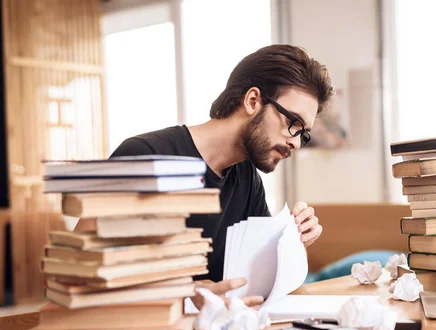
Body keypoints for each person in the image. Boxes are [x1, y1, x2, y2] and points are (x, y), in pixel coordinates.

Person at [79, 44, 334, 310]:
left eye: (303, 134)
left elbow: (263, 279)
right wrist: (183, 294)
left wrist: (296, 240)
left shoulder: (247, 177)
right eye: (293, 123)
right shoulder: (145, 155)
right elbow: (77, 271)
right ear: (252, 101)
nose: (295, 143)